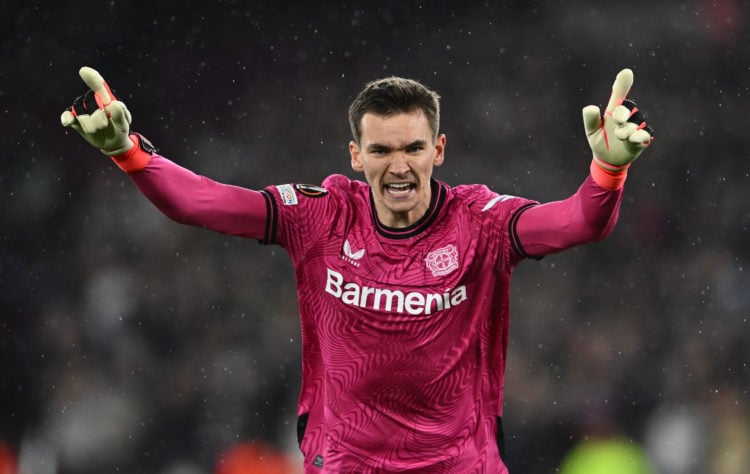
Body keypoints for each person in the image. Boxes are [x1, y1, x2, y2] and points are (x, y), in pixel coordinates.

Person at [61, 66, 653, 473]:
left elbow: (576, 223)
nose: (399, 165)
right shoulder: (322, 214)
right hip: (345, 462)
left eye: (413, 148)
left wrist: (607, 172)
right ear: (355, 155)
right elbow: (204, 202)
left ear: (438, 149)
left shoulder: (480, 221)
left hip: (457, 464)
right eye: (381, 150)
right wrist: (128, 152)